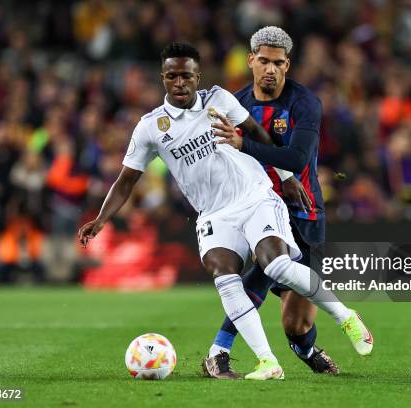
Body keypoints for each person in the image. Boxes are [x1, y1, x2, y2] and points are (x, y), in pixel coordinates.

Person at [78, 43, 373, 381]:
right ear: (163, 78)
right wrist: (101, 219)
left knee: (275, 263)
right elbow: (126, 181)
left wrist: (286, 177)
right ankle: (267, 362)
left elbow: (257, 134)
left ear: (197, 77)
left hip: (255, 196)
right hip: (213, 214)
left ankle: (345, 316)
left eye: (186, 75)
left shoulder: (218, 99)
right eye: (172, 76)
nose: (179, 83)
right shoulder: (150, 127)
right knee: (224, 275)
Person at [203, 26, 341, 379]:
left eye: (277, 63)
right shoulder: (236, 105)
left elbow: (296, 158)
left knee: (296, 323)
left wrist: (247, 147)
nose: (270, 69)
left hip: (303, 210)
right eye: (263, 61)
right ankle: (218, 352)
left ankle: (305, 347)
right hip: (257, 206)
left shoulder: (304, 102)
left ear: (287, 65)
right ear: (250, 61)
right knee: (260, 271)